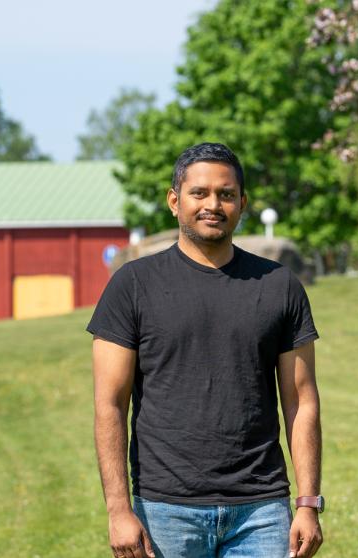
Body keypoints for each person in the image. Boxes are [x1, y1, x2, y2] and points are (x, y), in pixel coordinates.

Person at [88, 142, 325, 558]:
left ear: (242, 202)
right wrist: (118, 509)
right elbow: (109, 404)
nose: (213, 204)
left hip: (262, 511)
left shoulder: (279, 285)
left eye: (226, 194)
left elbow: (301, 401)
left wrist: (307, 504)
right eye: (199, 193)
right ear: (174, 200)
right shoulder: (132, 286)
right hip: (164, 510)